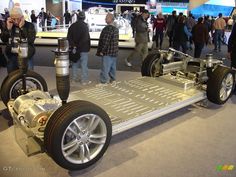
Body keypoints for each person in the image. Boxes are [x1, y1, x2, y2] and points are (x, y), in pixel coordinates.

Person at [0, 4, 36, 73]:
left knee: (28, 76)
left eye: (18, 19)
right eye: (13, 19)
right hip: (12, 57)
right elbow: (4, 39)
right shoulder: (8, 25)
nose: (16, 21)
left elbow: (31, 40)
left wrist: (22, 28)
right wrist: (8, 29)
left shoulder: (29, 25)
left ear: (22, 17)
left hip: (26, 56)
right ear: (10, 18)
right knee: (11, 78)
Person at [67, 11, 91, 85]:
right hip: (83, 49)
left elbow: (69, 37)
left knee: (75, 64)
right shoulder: (85, 26)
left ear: (77, 17)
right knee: (84, 65)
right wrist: (79, 46)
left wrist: (74, 46)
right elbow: (85, 38)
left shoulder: (72, 26)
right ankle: (84, 80)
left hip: (74, 49)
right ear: (84, 17)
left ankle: (74, 79)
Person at [97, 13, 119, 84]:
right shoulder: (116, 29)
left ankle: (104, 81)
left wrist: (102, 51)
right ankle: (113, 80)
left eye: (106, 18)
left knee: (105, 68)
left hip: (107, 52)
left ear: (110, 19)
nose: (105, 19)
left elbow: (105, 41)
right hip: (114, 52)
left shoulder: (107, 29)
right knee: (113, 67)